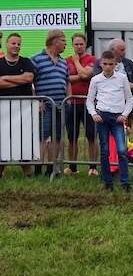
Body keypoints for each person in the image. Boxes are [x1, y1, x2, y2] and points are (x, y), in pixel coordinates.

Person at [87, 50, 133, 192]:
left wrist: (125, 114)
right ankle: (108, 182)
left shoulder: (122, 78)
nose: (108, 67)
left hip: (117, 117)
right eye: (105, 64)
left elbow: (130, 98)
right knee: (105, 150)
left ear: (115, 64)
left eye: (111, 64)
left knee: (122, 150)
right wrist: (94, 113)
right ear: (101, 64)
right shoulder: (96, 80)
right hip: (102, 117)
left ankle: (125, 182)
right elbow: (89, 100)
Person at [31, 29, 70, 177]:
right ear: (55, 41)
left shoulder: (63, 61)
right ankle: (38, 168)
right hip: (45, 106)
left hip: (61, 105)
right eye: (64, 41)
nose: (66, 45)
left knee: (57, 137)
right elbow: (30, 82)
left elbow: (67, 81)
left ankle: (51, 168)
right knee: (42, 136)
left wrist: (69, 98)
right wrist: (37, 101)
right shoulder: (36, 59)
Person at [0, 32, 37, 178]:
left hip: (24, 109)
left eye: (18, 44)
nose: (16, 46)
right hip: (3, 109)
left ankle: (27, 172)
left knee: (23, 139)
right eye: (13, 43)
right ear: (7, 44)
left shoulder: (26, 61)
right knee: (3, 139)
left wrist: (6, 78)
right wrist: (18, 80)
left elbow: (29, 78)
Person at [63, 33, 99, 176]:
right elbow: (67, 79)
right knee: (72, 137)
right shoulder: (65, 61)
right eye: (76, 44)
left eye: (81, 44)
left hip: (88, 103)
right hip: (72, 103)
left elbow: (87, 75)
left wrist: (77, 62)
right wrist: (81, 75)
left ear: (85, 45)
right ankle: (72, 167)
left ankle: (93, 167)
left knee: (91, 136)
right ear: (73, 45)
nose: (79, 46)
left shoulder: (93, 59)